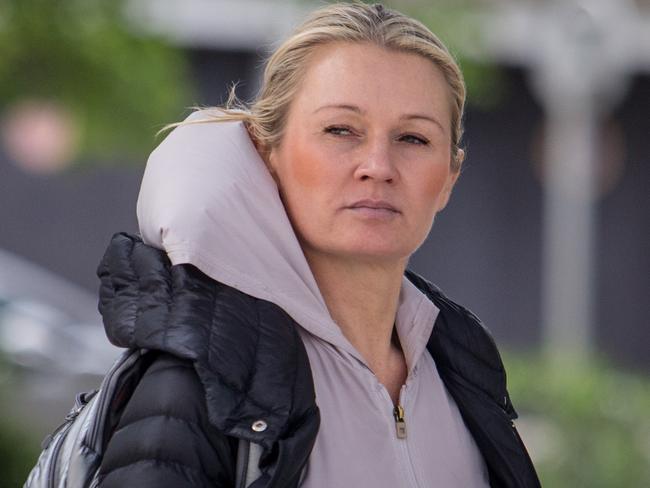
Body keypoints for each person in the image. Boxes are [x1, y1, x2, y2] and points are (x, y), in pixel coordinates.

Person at [95, 2, 540, 487]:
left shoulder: (464, 367)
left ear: (449, 178)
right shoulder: (200, 380)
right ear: (269, 154)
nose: (378, 166)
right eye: (340, 130)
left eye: (412, 138)